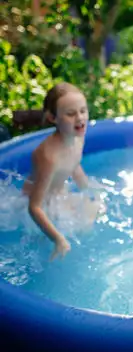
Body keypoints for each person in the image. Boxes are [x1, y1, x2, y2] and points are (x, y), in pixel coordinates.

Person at [22, 82, 91, 261]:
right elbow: (34, 207)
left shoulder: (78, 137)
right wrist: (57, 239)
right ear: (53, 118)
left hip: (59, 194)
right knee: (80, 230)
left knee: (93, 213)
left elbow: (73, 163)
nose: (80, 118)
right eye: (70, 113)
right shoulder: (49, 156)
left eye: (83, 111)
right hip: (42, 206)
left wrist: (89, 190)